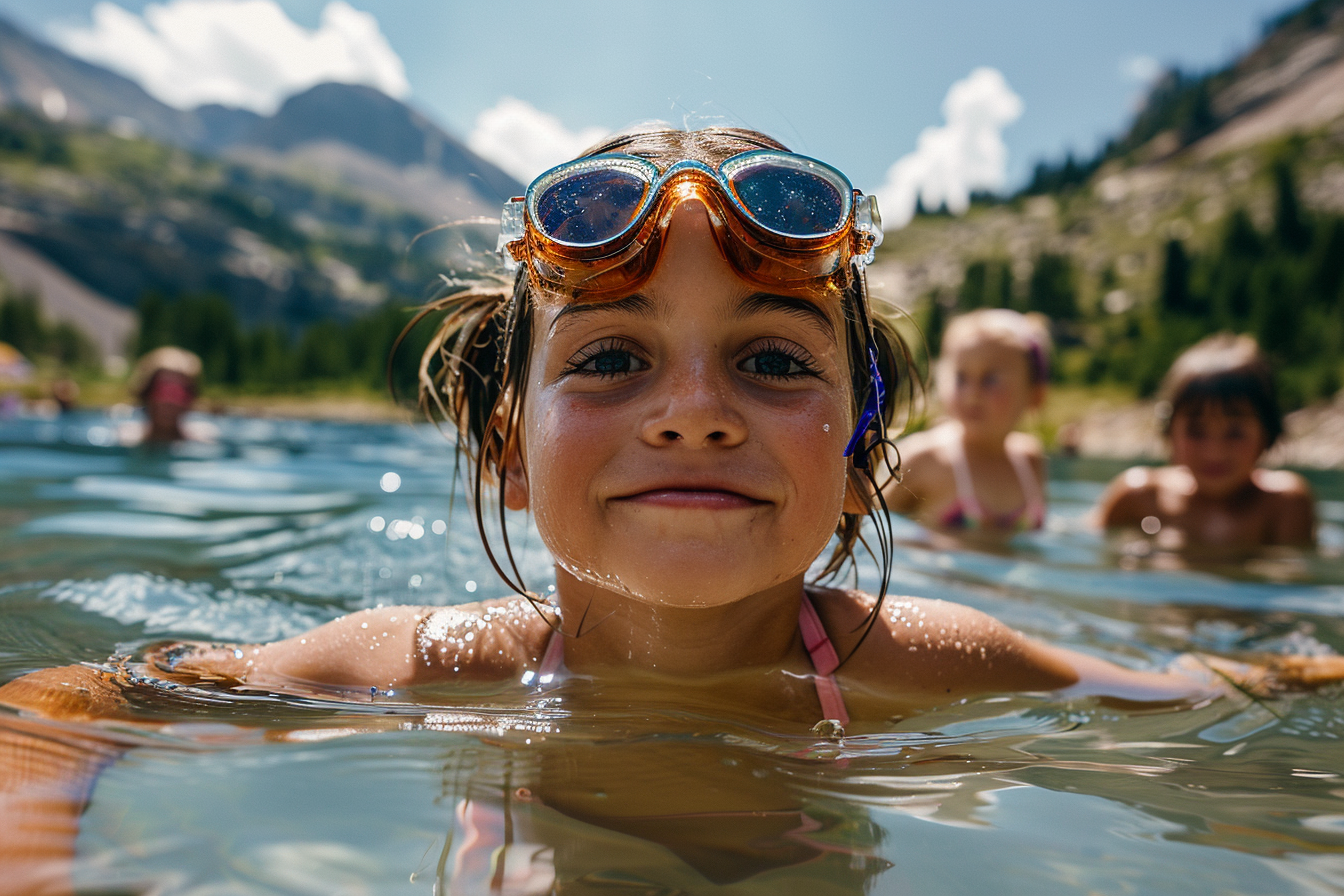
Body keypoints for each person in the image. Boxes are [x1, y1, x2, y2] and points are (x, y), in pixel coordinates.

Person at [3, 127, 1341, 891]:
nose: (692, 410)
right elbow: (64, 705)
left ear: (865, 451)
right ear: (508, 450)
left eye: (770, 361)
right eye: (611, 358)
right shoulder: (424, 664)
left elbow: (1202, 689)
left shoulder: (920, 664)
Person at [1093, 333, 1316, 553]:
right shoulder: (1137, 498)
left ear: (1267, 432)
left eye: (1235, 432)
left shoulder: (1283, 505)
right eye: (1196, 431)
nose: (1215, 451)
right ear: (1170, 432)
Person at [882, 308, 1049, 538]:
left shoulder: (1030, 461)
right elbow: (869, 528)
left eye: (991, 379)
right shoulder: (925, 459)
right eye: (961, 378)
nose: (972, 395)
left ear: (1035, 394)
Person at [120, 345, 214, 445]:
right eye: (162, 391)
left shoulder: (203, 442)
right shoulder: (125, 440)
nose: (169, 402)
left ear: (191, 398)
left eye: (179, 393)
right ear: (145, 392)